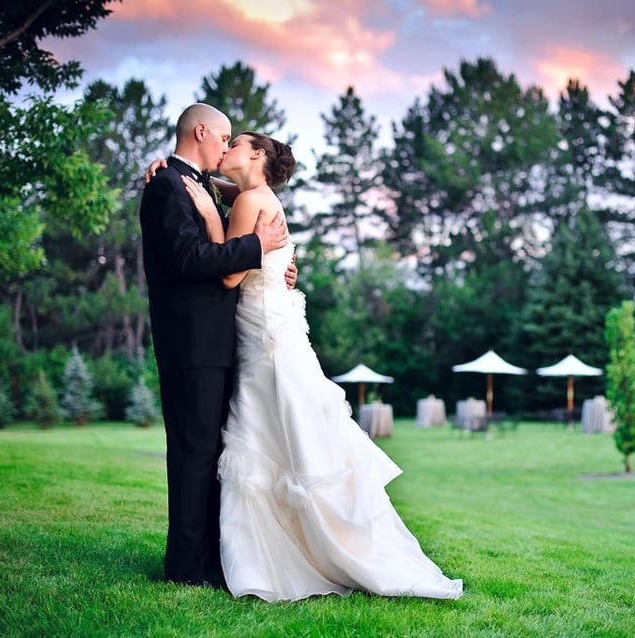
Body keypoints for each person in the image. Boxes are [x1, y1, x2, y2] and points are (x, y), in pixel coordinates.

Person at [181, 130, 463, 602]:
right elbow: (228, 201)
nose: (226, 148)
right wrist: (198, 183)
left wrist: (210, 214)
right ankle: (300, 546)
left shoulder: (251, 200)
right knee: (284, 433)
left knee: (269, 433)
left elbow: (229, 272)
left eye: (237, 143)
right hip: (271, 329)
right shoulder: (254, 194)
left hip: (264, 335)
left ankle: (281, 554)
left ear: (256, 155)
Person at [139, 103, 296, 588]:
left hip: (219, 341)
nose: (226, 147)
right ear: (200, 131)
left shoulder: (201, 184)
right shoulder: (167, 184)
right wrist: (259, 249)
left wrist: (276, 265)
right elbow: (189, 258)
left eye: (235, 143)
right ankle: (186, 570)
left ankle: (209, 558)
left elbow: (247, 209)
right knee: (193, 453)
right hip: (191, 343)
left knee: (209, 453)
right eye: (223, 138)